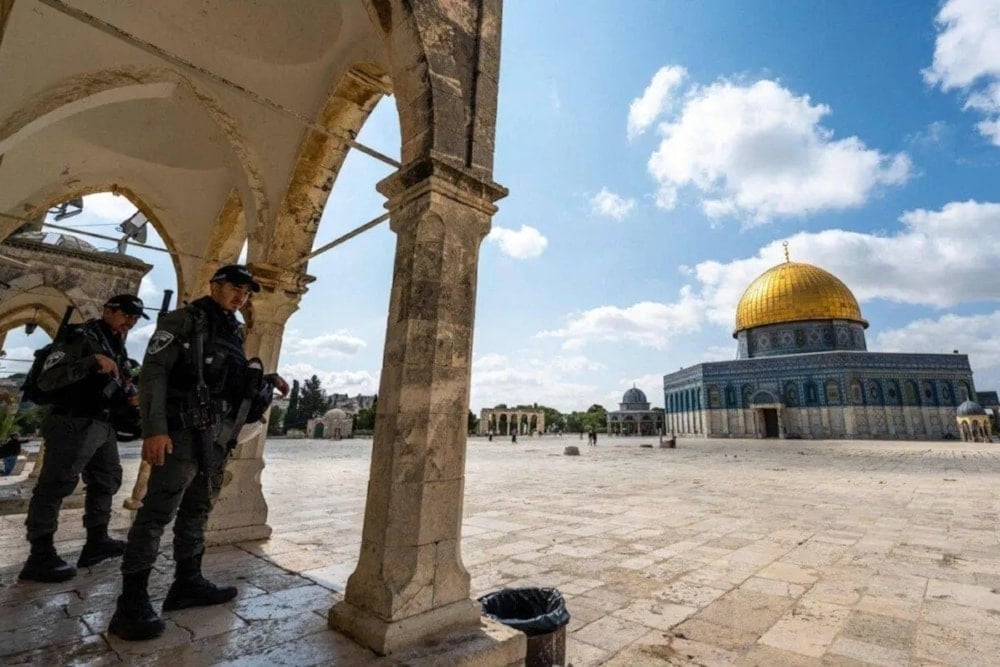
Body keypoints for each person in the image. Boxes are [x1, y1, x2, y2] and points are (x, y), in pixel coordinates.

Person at [109, 264, 288, 641]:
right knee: (157, 512)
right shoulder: (184, 320)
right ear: (215, 286)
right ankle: (131, 601)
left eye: (248, 292)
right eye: (235, 288)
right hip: (182, 433)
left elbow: (227, 379)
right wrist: (154, 430)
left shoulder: (231, 330)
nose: (242, 296)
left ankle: (187, 582)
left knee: (198, 508)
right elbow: (154, 374)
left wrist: (265, 380)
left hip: (216, 435)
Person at [19, 294, 147, 583]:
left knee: (107, 479)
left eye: (135, 318)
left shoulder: (115, 344)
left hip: (102, 423)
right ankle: (40, 553)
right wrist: (90, 362)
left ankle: (96, 541)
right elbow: (47, 380)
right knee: (55, 484)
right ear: (107, 311)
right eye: (126, 315)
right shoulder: (79, 338)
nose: (130, 322)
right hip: (72, 420)